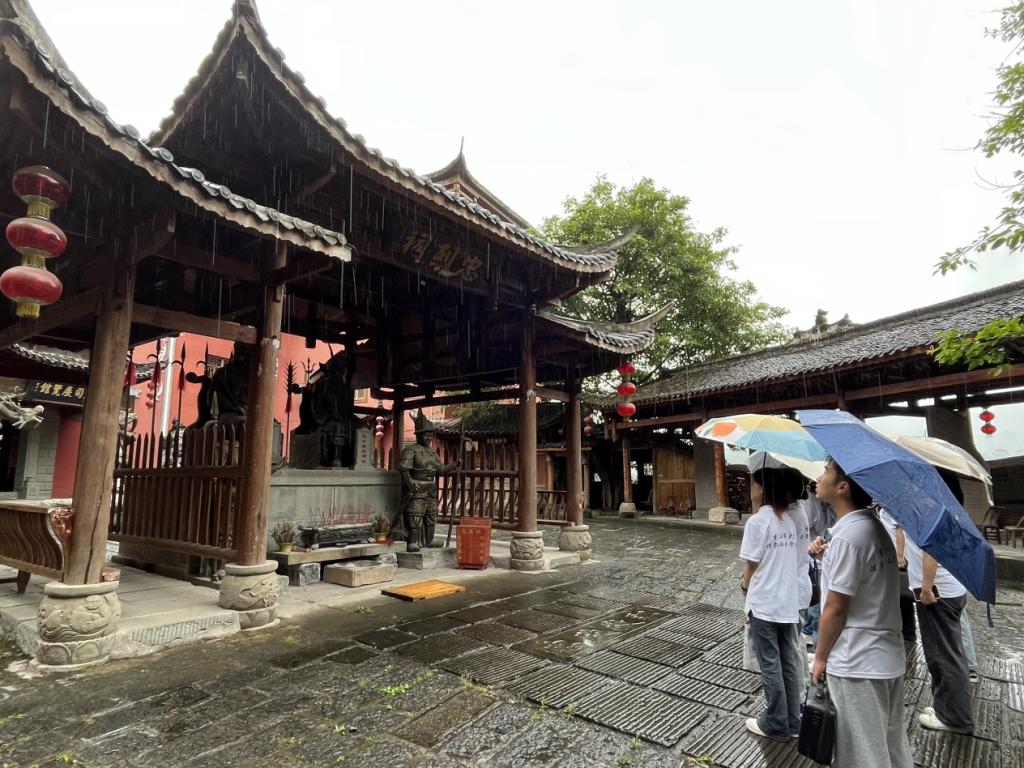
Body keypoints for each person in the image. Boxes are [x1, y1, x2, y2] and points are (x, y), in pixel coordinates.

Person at [811, 460, 912, 768]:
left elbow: (836, 608)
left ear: (843, 487)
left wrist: (820, 656)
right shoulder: (873, 528)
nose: (819, 477)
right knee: (891, 747)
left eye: (826, 472)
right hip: (886, 657)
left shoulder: (848, 538)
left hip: (856, 660)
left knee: (862, 754)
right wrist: (829, 556)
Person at [901, 469, 975, 733]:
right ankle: (945, 706)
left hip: (937, 591)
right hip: (948, 589)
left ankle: (955, 718)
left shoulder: (934, 511)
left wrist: (926, 587)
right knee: (945, 653)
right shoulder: (948, 510)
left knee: (943, 656)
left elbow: (931, 552)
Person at [740, 460, 805, 741]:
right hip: (786, 602)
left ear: (762, 489)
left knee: (770, 662)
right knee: (788, 660)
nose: (751, 490)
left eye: (753, 485)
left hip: (764, 602)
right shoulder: (787, 520)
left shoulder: (757, 522)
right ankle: (793, 719)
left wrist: (744, 587)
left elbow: (750, 564)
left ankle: (775, 721)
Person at [877, 509, 917, 643]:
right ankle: (906, 633)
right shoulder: (885, 508)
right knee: (900, 596)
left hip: (897, 558)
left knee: (902, 595)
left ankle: (908, 634)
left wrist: (900, 556)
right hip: (892, 557)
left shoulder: (891, 508)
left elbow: (900, 530)